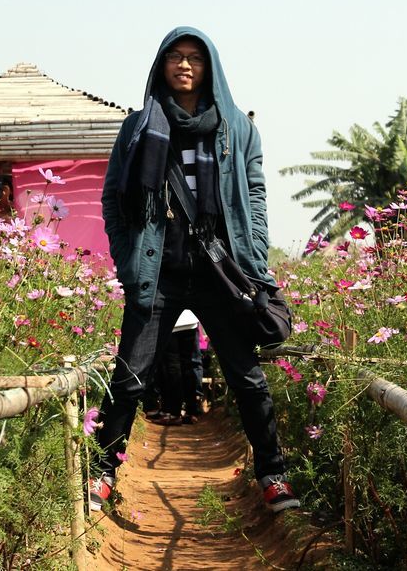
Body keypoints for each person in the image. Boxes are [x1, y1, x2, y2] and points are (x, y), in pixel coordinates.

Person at [89, 27, 300, 514]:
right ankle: (102, 474)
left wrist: (254, 252)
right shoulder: (139, 127)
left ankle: (273, 477)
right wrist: (127, 259)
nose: (185, 66)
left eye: (195, 59)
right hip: (158, 271)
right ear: (161, 65)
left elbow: (257, 194)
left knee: (247, 378)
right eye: (175, 57)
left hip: (220, 273)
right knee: (130, 377)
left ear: (210, 68)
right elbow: (113, 200)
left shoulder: (238, 130)